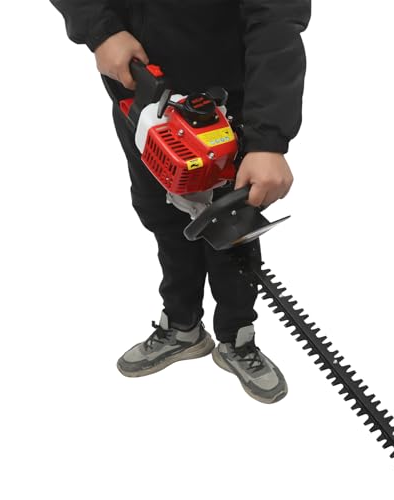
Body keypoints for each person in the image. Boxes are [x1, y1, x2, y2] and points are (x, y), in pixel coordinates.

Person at [50, 0, 311, 404]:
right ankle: (181, 324)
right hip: (140, 91)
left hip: (226, 101)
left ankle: (237, 337)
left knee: (230, 229)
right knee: (162, 216)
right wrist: (101, 30)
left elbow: (275, 20)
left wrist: (268, 140)